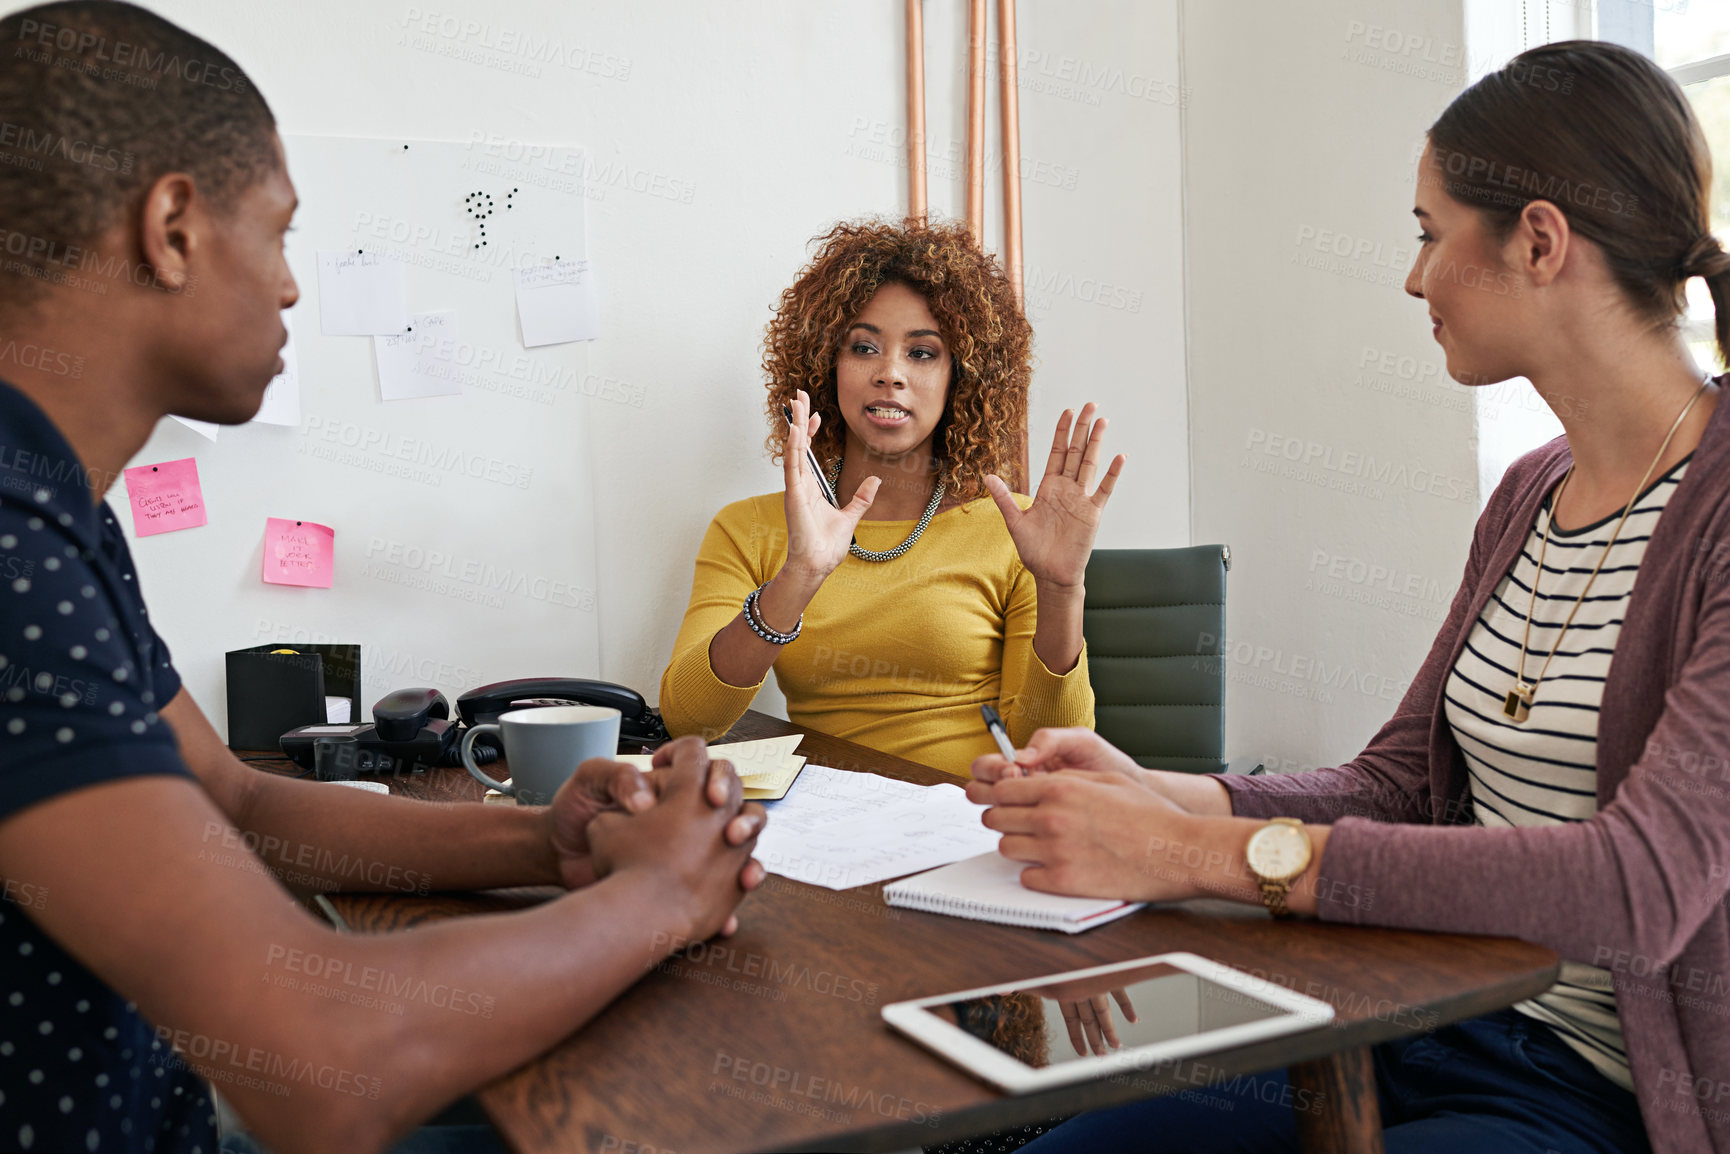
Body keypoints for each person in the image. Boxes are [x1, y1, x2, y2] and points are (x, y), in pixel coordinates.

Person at [0, 5, 765, 1153]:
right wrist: (657, 899)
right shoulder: (12, 547)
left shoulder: (58, 512)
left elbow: (237, 800)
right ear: (171, 227)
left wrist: (548, 842)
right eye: (279, 232)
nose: (295, 289)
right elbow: (317, 1060)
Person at [966, 41, 1730, 1154]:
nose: (1412, 276)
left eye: (1427, 233)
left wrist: (1191, 857)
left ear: (1537, 240)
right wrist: (1169, 794)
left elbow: (1640, 885)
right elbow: (1396, 783)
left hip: (1593, 1101)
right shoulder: (1528, 492)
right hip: (1406, 1019)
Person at [659, 220, 1125, 777]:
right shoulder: (747, 529)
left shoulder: (1015, 530)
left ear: (964, 378)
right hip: (822, 823)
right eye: (864, 347)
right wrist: (800, 576)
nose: (890, 374)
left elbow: (1056, 750)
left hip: (967, 818)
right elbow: (689, 720)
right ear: (827, 365)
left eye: (923, 353)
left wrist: (1059, 588)